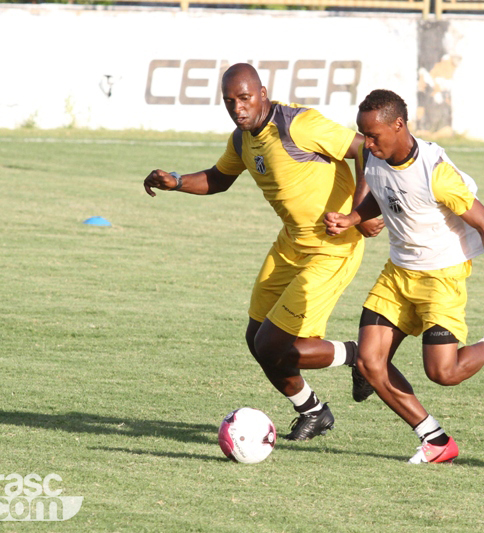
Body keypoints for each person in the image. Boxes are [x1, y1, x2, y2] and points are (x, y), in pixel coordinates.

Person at [143, 64, 383, 441]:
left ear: (263, 93)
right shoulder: (241, 140)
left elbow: (367, 150)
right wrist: (176, 182)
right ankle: (313, 411)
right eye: (229, 101)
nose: (238, 108)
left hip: (331, 247)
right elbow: (219, 178)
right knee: (256, 337)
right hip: (291, 244)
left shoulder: (298, 125)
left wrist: (359, 212)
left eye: (244, 98)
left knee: (273, 344)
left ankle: (362, 357)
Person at [324, 89, 484, 463]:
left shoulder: (436, 173)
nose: (367, 143)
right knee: (370, 363)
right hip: (398, 273)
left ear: (399, 125)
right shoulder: (374, 156)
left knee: (443, 372)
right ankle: (436, 441)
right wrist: (354, 218)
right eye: (364, 135)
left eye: (374, 135)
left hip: (442, 276)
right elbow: (383, 190)